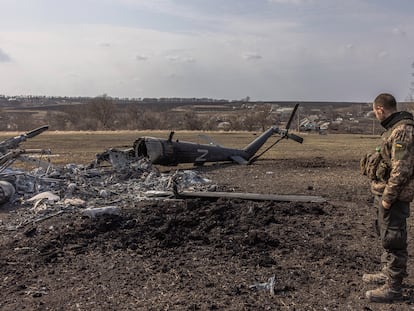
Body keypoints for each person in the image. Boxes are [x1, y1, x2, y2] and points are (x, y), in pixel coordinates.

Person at [360, 93, 414, 302]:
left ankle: (393, 288)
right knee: (385, 235)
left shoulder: (402, 131)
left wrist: (388, 198)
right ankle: (388, 273)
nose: (375, 115)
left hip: (394, 196)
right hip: (384, 193)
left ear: (380, 109)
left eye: (375, 112)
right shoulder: (394, 128)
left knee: (393, 239)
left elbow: (402, 170)